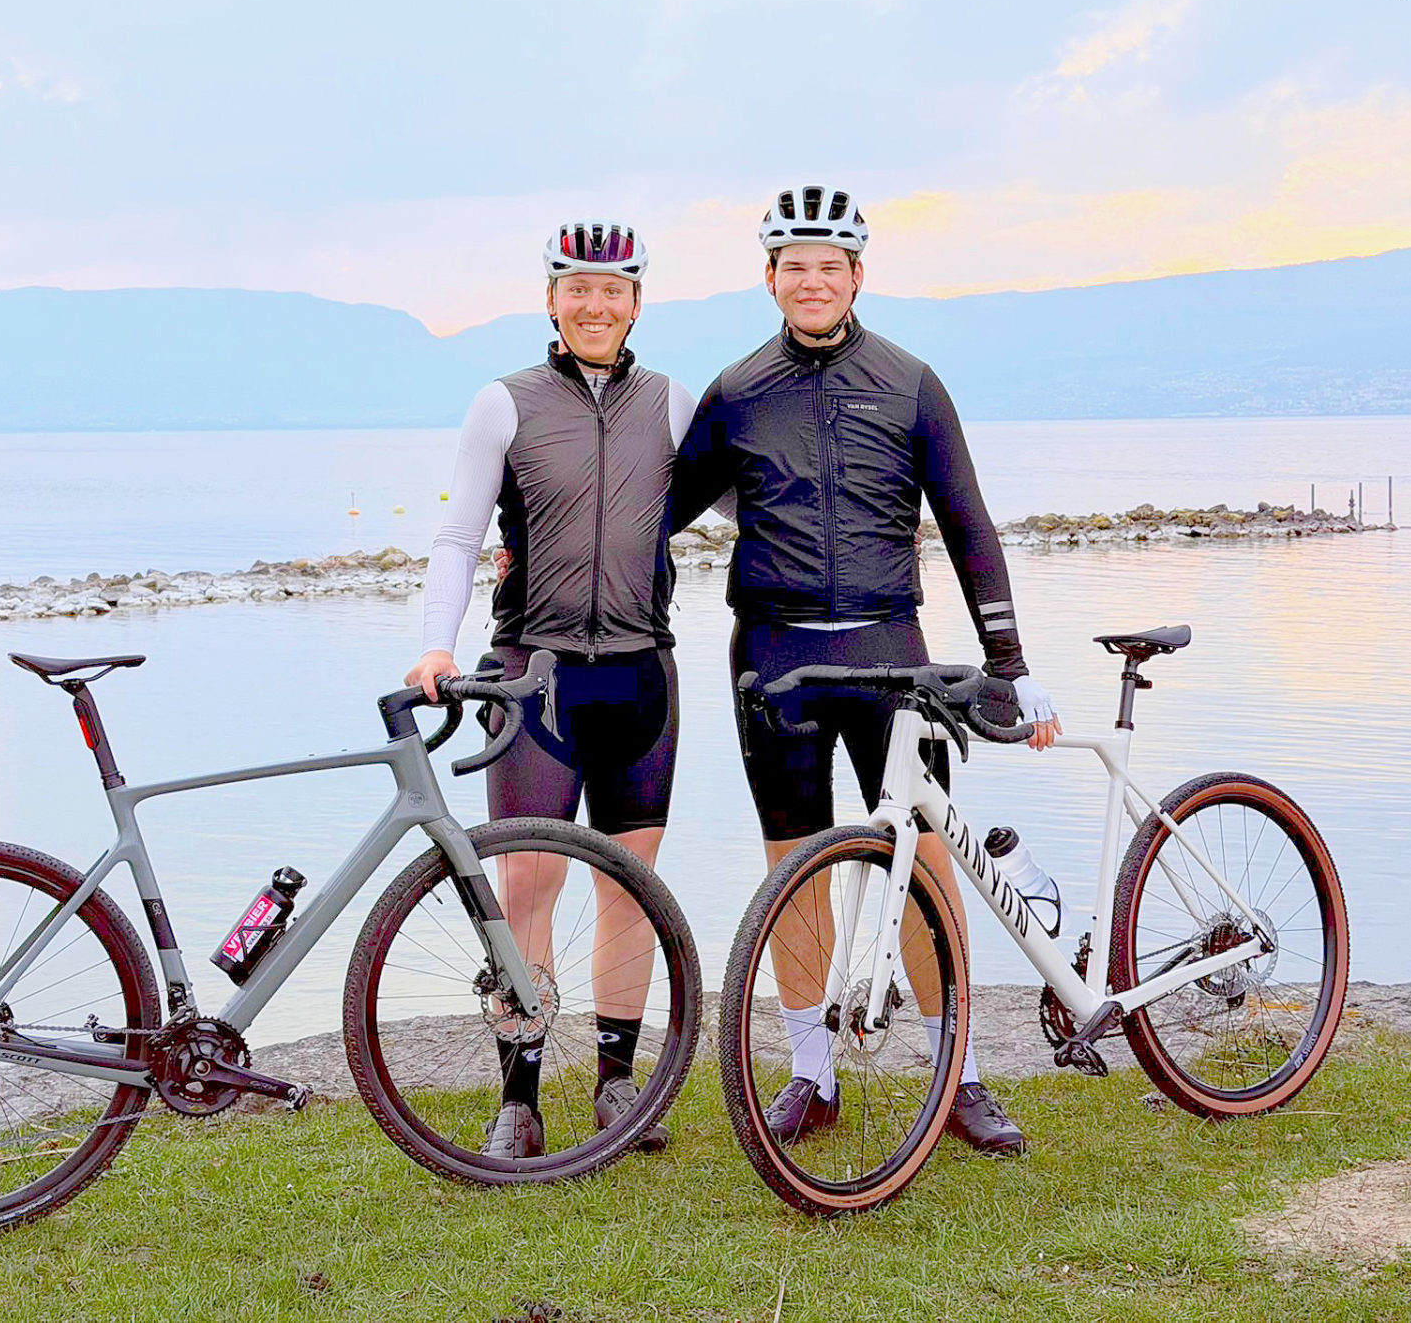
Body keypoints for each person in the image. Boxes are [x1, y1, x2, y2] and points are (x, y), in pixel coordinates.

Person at [670, 184, 1061, 1157]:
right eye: (794, 267)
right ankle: (814, 1073)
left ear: (856, 276)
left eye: (829, 266)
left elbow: (968, 523)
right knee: (792, 867)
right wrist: (540, 564)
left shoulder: (911, 382)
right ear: (770, 278)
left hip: (893, 654)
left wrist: (1009, 660)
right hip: (775, 656)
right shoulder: (735, 392)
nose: (812, 281)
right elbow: (652, 517)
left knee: (925, 860)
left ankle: (959, 1073)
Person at [406, 221, 695, 1160]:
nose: (595, 305)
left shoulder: (672, 403)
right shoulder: (505, 403)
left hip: (642, 671)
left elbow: (746, 500)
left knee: (630, 884)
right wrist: (434, 647)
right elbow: (459, 536)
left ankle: (617, 1083)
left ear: (637, 302)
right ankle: (519, 1100)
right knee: (526, 882)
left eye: (613, 290)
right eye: (578, 289)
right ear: (552, 299)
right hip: (532, 675)